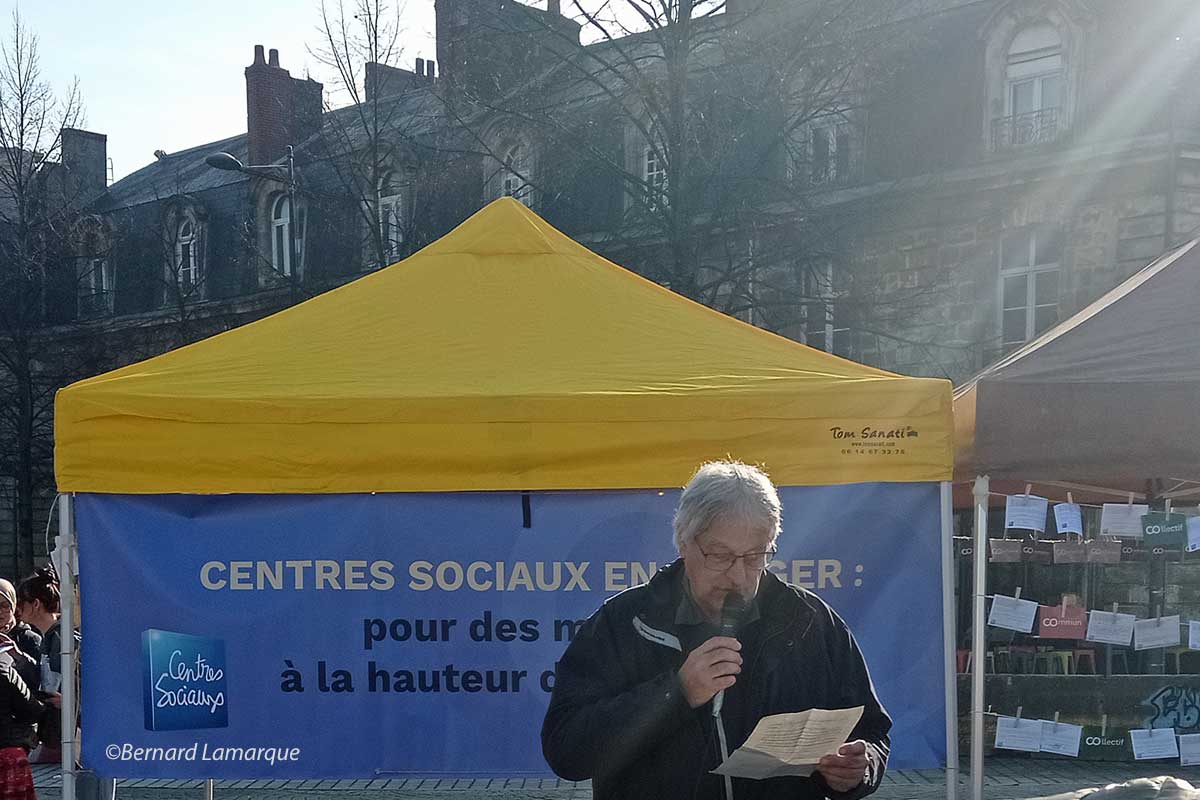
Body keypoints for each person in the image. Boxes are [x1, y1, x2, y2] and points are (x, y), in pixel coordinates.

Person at [542, 460, 891, 800]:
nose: (738, 576)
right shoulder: (623, 623)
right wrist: (677, 693)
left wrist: (858, 770)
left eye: (754, 557)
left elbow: (871, 729)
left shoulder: (810, 620)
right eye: (720, 556)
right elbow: (566, 750)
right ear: (683, 543)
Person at [16, 565, 69, 765]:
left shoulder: (61, 638)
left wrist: (69, 701)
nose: (17, 609)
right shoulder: (51, 636)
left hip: (66, 731)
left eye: (21, 603)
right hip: (57, 729)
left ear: (36, 604)